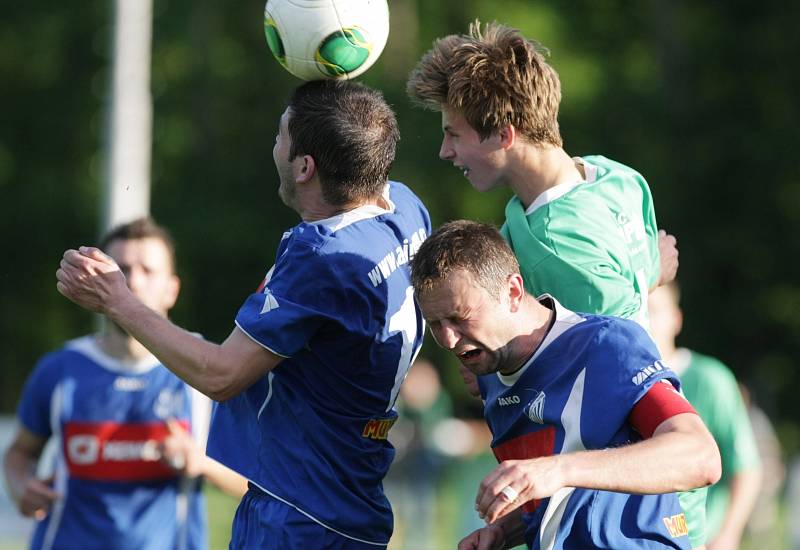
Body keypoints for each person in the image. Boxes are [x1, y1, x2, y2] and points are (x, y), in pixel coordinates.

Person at [55, 80, 431, 549]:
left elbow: (222, 375)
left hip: (298, 512)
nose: (273, 146)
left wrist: (118, 300)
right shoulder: (406, 208)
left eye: (281, 136)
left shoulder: (322, 259)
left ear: (304, 167)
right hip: (356, 498)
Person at [405, 21, 715, 547]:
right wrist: (651, 274)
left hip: (634, 510)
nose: (444, 151)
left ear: (504, 134)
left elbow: (612, 369)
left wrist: (492, 372)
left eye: (453, 133)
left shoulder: (552, 250)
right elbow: (635, 289)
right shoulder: (614, 177)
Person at [410, 220, 720, 550]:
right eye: (435, 324)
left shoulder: (606, 344)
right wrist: (504, 532)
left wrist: (556, 470)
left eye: (460, 316)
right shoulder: (490, 379)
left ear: (513, 292)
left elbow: (699, 456)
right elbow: (568, 499)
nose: (448, 339)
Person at [3, 217, 248, 550]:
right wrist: (22, 487)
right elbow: (19, 454)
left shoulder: (208, 368)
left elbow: (254, 482)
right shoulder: (60, 369)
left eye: (147, 270)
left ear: (172, 289)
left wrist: (198, 462)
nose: (132, 280)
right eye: (121, 270)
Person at [649, 283, 762, 549]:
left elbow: (746, 466)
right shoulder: (622, 380)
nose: (646, 320)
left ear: (676, 319)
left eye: (654, 310)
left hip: (700, 540)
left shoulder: (712, 379)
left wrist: (728, 533)